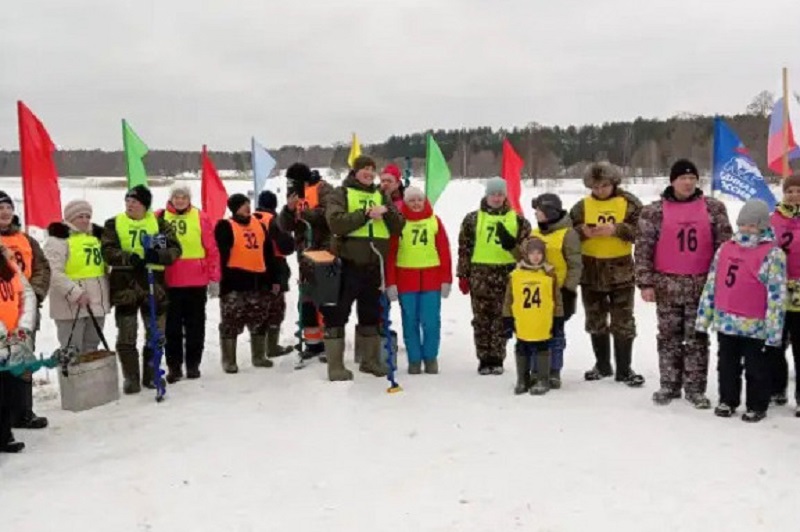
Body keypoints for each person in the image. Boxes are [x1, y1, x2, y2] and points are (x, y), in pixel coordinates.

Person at [636, 159, 732, 408]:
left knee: (697, 339)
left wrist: (722, 282)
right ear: (672, 181)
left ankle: (695, 388)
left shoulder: (714, 208)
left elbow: (726, 247)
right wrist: (645, 283)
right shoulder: (653, 212)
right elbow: (644, 249)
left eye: (692, 178)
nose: (688, 183)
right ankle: (669, 385)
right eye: (682, 178)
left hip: (701, 286)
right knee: (668, 338)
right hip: (667, 285)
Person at [696, 199, 787, 423]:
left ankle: (757, 405)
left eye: (753, 225)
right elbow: (712, 284)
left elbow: (776, 296)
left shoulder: (773, 254)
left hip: (756, 325)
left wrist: (774, 333)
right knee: (727, 365)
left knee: (756, 369)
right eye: (744, 224)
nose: (747, 229)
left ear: (763, 226)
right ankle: (728, 399)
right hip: (726, 321)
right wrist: (703, 319)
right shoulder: (725, 248)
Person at [323, 155, 405, 381]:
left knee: (371, 314)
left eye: (372, 169)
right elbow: (336, 223)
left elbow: (399, 225)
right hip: (347, 264)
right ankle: (336, 366)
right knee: (338, 313)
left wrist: (387, 211)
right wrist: (366, 214)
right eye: (364, 169)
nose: (369, 173)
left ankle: (369, 361)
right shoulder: (341, 193)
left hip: (374, 265)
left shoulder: (381, 195)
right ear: (355, 171)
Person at [101, 185, 182, 394]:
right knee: (127, 334)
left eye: (135, 201)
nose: (130, 204)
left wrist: (158, 256)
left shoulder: (159, 223)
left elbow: (175, 249)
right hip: (125, 286)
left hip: (154, 286)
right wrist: (129, 257)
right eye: (128, 200)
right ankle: (131, 377)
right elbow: (108, 251)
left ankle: (152, 374)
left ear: (145, 205)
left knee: (155, 334)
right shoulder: (114, 223)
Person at [570, 162, 644, 386]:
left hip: (620, 271)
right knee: (595, 320)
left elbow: (643, 231)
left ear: (614, 183)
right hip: (591, 271)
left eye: (604, 185)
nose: (600, 190)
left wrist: (616, 229)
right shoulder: (581, 207)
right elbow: (566, 235)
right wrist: (581, 232)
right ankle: (602, 365)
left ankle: (624, 369)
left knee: (623, 321)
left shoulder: (629, 204)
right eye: (595, 186)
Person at [457, 177, 531, 375]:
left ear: (505, 196)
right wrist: (463, 275)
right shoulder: (472, 219)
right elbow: (464, 249)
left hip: (507, 275)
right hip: (480, 275)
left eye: (500, 194)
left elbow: (527, 251)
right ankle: (484, 358)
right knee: (481, 319)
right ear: (486, 195)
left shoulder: (518, 220)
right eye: (493, 194)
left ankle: (497, 357)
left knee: (501, 318)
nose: (497, 198)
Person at [215, 194, 292, 373]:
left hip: (258, 280)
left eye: (248, 204)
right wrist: (221, 281)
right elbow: (221, 255)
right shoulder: (225, 226)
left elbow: (268, 254)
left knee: (259, 319)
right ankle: (229, 360)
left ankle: (258, 356)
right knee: (231, 321)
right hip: (234, 281)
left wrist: (273, 278)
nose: (247, 208)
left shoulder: (258, 225)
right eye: (242, 206)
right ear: (234, 208)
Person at [156, 184, 220, 382]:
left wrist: (214, 278)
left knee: (195, 326)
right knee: (172, 328)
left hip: (196, 281)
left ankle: (193, 365)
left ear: (189, 199)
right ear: (171, 198)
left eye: (184, 197)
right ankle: (174, 366)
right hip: (170, 281)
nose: (180, 200)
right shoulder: (159, 217)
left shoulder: (200, 217)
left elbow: (211, 248)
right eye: (176, 196)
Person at [386, 186, 452, 375]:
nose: (416, 204)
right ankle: (414, 359)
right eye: (412, 201)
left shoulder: (434, 221)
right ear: (406, 203)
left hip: (431, 280)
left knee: (431, 321)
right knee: (410, 321)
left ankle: (430, 357)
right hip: (406, 280)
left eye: (419, 200)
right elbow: (391, 254)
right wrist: (391, 282)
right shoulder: (398, 223)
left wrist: (446, 279)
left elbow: (444, 251)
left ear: (424, 202)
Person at [0, 191, 50, 429]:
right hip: (2, 311)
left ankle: (23, 412)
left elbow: (42, 268)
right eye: (0, 208)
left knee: (23, 363)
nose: (5, 212)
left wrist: (35, 294)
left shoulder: (26, 240)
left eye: (8, 207)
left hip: (25, 312)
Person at [279, 164, 335, 361]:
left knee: (326, 299)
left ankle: (331, 342)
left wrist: (303, 214)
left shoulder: (324, 189)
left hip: (324, 251)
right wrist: (289, 209)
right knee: (307, 300)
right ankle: (312, 343)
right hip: (304, 254)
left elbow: (329, 214)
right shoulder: (294, 194)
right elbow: (285, 225)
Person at [44, 199, 111, 354]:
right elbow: (53, 272)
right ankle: (72, 378)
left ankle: (91, 378)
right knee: (72, 351)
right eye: (80, 216)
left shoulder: (96, 238)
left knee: (91, 350)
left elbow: (102, 267)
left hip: (96, 304)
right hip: (70, 306)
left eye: (88, 216)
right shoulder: (58, 240)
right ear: (70, 218)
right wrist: (75, 293)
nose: (85, 220)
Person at [530, 193, 582, 388]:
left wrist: (569, 291)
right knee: (537, 332)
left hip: (559, 293)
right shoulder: (535, 233)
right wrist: (511, 245)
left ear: (549, 212)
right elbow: (525, 258)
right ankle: (536, 369)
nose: (536, 214)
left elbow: (575, 265)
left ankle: (554, 371)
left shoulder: (568, 234)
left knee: (556, 334)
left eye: (539, 211)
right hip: (537, 294)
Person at [503, 238, 560, 395]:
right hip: (523, 320)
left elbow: (557, 299)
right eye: (532, 253)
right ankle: (523, 378)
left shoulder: (549, 274)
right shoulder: (516, 275)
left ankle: (543, 379)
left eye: (539, 253)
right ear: (525, 254)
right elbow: (509, 300)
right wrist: (507, 319)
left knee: (542, 347)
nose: (536, 257)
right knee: (522, 347)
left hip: (542, 320)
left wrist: (558, 319)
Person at [0, 245, 38, 453]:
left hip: (13, 340)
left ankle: (4, 435)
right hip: (3, 338)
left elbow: (27, 296)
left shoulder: (10, 265)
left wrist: (23, 327)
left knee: (9, 391)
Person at [770, 173, 800, 413]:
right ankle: (777, 388)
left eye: (799, 191)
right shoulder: (774, 219)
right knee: (776, 344)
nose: (794, 195)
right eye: (790, 191)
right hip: (778, 289)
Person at [254, 189, 295, 358]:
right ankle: (271, 347)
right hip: (275, 266)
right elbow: (286, 246)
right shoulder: (275, 220)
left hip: (253, 267)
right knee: (275, 309)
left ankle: (258, 350)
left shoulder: (250, 219)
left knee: (258, 308)